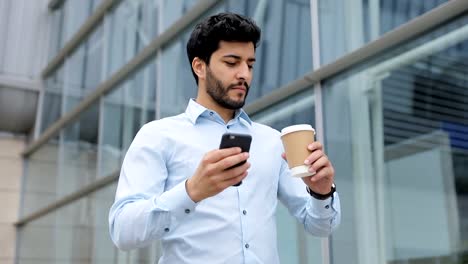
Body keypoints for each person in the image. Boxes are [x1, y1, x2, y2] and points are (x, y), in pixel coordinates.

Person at [109, 12, 341, 263]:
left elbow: (320, 226)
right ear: (200, 66)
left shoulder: (272, 141)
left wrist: (321, 192)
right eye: (232, 63)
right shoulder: (159, 135)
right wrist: (192, 191)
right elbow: (123, 231)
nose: (244, 74)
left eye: (250, 64)